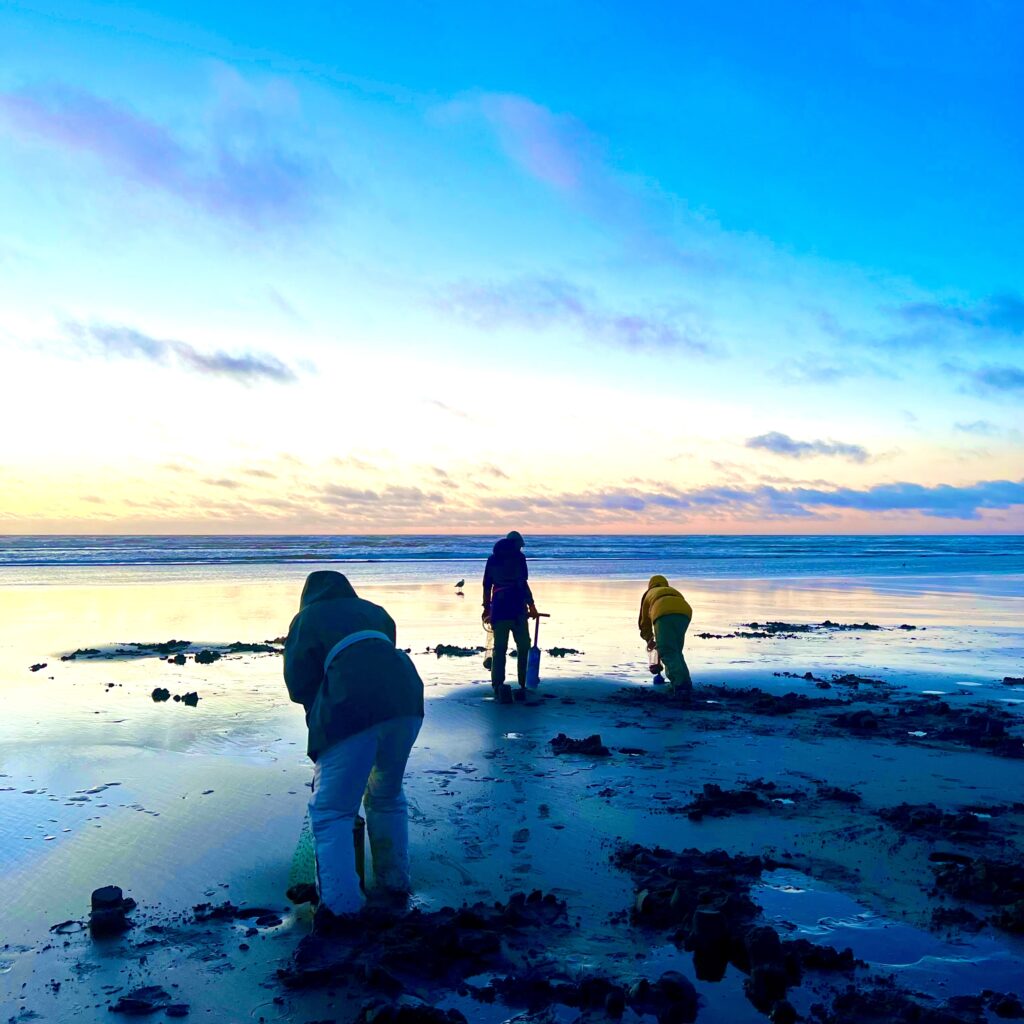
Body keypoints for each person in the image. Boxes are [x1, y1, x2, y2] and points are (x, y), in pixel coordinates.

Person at [284, 570, 424, 931]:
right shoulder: (376, 611)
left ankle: (342, 909)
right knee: (387, 795)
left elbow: (299, 684)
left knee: (331, 811)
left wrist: (323, 720)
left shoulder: (307, 618)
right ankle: (395, 885)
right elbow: (376, 655)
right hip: (407, 698)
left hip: (351, 706)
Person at [482, 531, 539, 702]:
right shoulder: (519, 558)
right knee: (524, 647)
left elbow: (486, 584)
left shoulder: (493, 559)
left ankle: (498, 685)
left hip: (498, 608)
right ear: (516, 544)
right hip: (516, 608)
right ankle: (523, 684)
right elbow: (522, 583)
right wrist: (532, 605)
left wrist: (486, 608)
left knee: (499, 649)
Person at [638, 574, 693, 692]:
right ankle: (685, 682)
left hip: (662, 611)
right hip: (685, 612)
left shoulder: (649, 593)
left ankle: (680, 686)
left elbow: (644, 622)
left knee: (667, 650)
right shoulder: (671, 590)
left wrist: (649, 638)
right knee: (676, 651)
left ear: (650, 585)